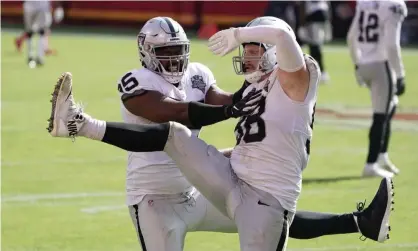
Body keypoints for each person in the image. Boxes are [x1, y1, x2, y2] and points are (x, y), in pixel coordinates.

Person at [48, 16, 393, 251]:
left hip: (255, 194)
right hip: (200, 187)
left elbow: (283, 41)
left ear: (274, 53)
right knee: (175, 134)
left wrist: (241, 33)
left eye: (256, 49)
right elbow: (189, 114)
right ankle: (78, 124)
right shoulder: (256, 85)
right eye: (248, 50)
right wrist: (232, 147)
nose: (248, 56)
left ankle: (361, 223)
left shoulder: (296, 78)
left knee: (275, 218)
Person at [347, 0, 407, 178]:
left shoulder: (365, 3)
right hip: (381, 64)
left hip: (364, 63)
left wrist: (357, 64)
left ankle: (382, 155)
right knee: (380, 116)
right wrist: (401, 74)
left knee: (390, 106)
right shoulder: (393, 5)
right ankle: (371, 164)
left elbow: (351, 37)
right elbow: (391, 45)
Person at [15, 0, 64, 67]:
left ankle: (39, 57)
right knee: (31, 32)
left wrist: (58, 6)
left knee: (41, 31)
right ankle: (31, 56)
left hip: (41, 7)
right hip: (31, 7)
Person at [297, 0, 332, 83]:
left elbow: (303, 5)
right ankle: (318, 71)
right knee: (315, 45)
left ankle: (320, 72)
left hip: (313, 16)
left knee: (314, 46)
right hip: (323, 15)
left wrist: (302, 24)